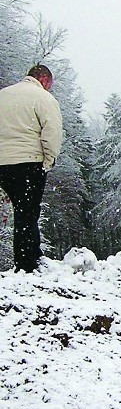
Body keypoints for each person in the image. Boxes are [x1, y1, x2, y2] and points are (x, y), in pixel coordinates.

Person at [0, 65, 63, 272]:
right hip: (28, 163)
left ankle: (28, 260)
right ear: (44, 79)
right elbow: (52, 132)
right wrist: (48, 161)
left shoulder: (3, 95)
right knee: (26, 213)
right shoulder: (43, 98)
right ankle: (27, 263)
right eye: (49, 85)